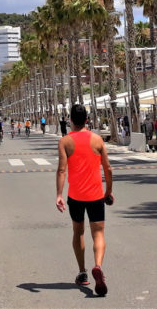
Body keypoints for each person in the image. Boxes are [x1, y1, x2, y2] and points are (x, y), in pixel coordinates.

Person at [56, 104, 113, 297]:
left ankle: (82, 273)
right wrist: (109, 192)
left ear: (70, 119)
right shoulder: (97, 140)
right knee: (98, 233)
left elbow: (62, 170)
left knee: (78, 232)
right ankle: (98, 265)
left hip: (76, 196)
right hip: (96, 195)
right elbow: (108, 169)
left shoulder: (65, 141)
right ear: (87, 120)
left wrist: (59, 195)